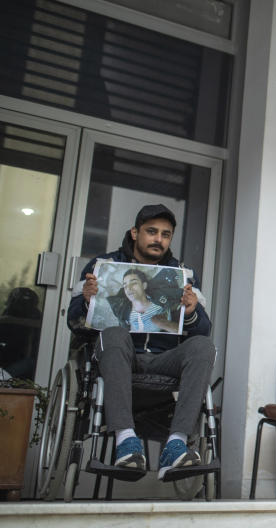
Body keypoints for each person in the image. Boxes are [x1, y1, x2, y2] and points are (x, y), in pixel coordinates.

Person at [67, 204, 214, 479]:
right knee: (113, 332)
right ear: (135, 233)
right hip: (120, 357)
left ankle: (176, 444)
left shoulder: (182, 274)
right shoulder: (103, 266)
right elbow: (74, 325)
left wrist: (193, 311)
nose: (159, 239)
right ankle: (126, 441)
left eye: (166, 234)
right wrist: (87, 302)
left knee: (204, 346)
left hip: (164, 360)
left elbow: (202, 331)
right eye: (151, 231)